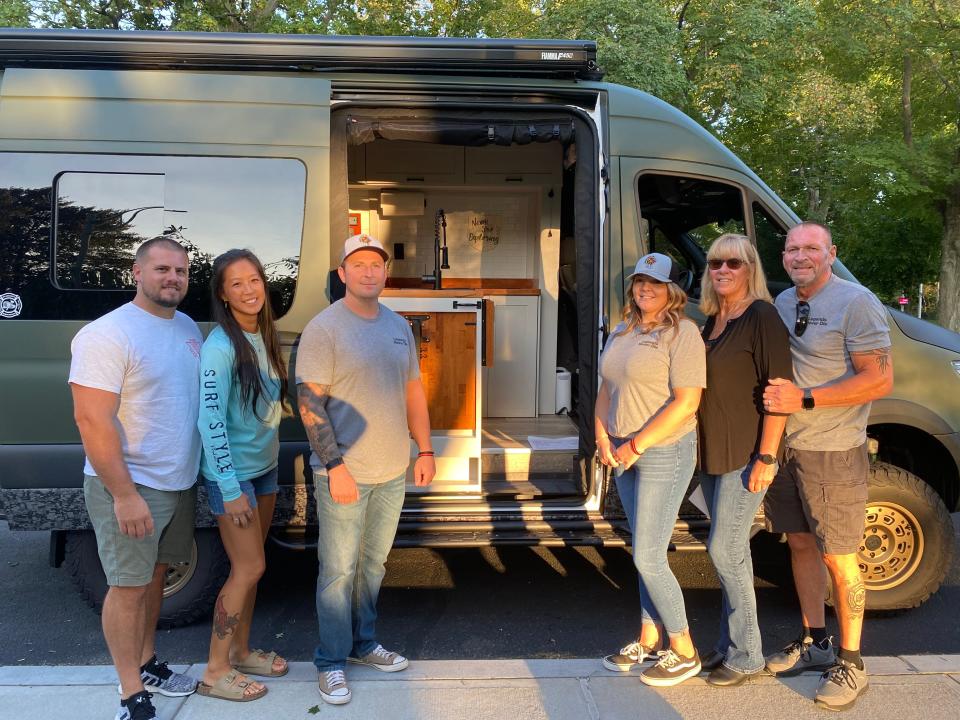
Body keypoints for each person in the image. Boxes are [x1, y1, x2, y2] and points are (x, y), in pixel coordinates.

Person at [296, 233, 436, 705]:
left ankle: (363, 644)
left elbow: (413, 390)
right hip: (344, 472)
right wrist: (334, 465)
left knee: (372, 565)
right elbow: (309, 400)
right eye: (358, 264)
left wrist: (426, 450)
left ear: (384, 272)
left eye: (376, 263)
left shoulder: (398, 326)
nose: (369, 271)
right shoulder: (324, 328)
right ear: (343, 274)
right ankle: (331, 662)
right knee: (337, 570)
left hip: (393, 469)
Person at [763, 221, 893, 711]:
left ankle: (852, 661)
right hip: (791, 446)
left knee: (839, 556)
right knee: (800, 544)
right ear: (784, 257)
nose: (801, 255)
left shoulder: (855, 301)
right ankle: (815, 641)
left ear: (831, 253)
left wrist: (807, 398)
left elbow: (878, 379)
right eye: (793, 248)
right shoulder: (783, 302)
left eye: (811, 248)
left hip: (835, 449)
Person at [69, 237, 201, 720]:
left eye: (181, 271)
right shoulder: (106, 335)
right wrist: (123, 495)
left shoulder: (186, 327)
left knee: (155, 577)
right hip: (131, 485)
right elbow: (92, 421)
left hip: (177, 482)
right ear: (136, 272)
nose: (173, 278)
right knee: (126, 588)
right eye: (162, 269)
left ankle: (148, 663)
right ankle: (130, 693)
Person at [597, 252, 707, 687]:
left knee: (648, 553)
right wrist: (604, 437)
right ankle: (649, 638)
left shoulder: (683, 333)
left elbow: (688, 402)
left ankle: (684, 649)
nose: (645, 288)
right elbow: (607, 386)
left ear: (671, 291)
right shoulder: (623, 329)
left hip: (664, 450)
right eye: (640, 281)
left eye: (656, 283)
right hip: (623, 449)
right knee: (642, 546)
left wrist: (638, 444)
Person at [695, 234, 792, 687]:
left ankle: (749, 655)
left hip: (747, 454)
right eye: (716, 262)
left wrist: (767, 456)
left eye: (733, 262)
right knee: (728, 552)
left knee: (726, 549)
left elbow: (779, 392)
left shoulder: (762, 316)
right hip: (714, 454)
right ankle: (727, 644)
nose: (723, 270)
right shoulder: (711, 321)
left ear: (750, 267)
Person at [196, 250, 289, 702]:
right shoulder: (220, 347)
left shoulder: (262, 334)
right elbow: (209, 419)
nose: (249, 290)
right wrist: (230, 488)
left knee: (251, 570)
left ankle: (241, 650)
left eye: (255, 280)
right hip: (233, 478)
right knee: (249, 567)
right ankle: (215, 671)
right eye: (237, 283)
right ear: (222, 293)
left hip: (264, 468)